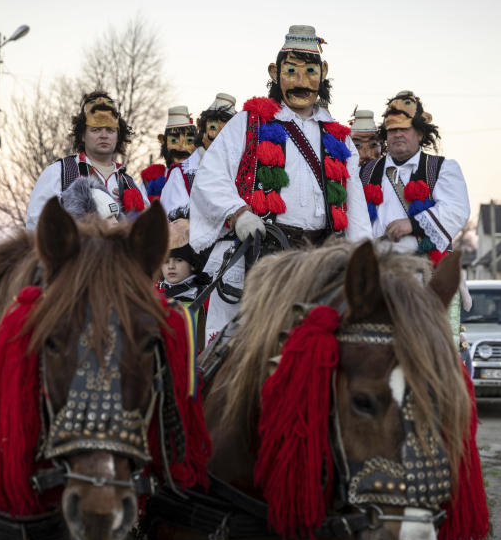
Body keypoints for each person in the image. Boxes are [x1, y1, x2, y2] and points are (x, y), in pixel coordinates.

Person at [189, 24, 372, 344]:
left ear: (323, 72)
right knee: (239, 351)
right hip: (263, 257)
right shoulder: (248, 124)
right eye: (291, 71)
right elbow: (210, 176)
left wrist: (364, 262)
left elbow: (355, 212)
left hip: (323, 263)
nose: (301, 81)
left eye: (310, 71)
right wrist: (239, 214)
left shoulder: (340, 140)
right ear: (275, 73)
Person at [360, 91, 471, 264]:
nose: (397, 134)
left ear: (420, 133)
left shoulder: (442, 169)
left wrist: (414, 224)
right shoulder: (366, 171)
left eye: (404, 129)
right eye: (392, 129)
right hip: (375, 268)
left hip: (423, 268)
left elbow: (456, 210)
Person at [26, 90, 147, 230]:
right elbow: (36, 224)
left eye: (110, 130)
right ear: (82, 135)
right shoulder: (60, 172)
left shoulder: (129, 183)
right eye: (96, 130)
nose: (104, 135)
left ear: (118, 136)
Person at [159, 93, 237, 219]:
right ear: (202, 128)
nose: (218, 136)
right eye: (213, 127)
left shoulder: (241, 173)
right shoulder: (180, 174)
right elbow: (172, 224)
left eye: (227, 130)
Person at [141, 106, 198, 205]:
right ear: (163, 142)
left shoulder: (205, 177)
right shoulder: (150, 181)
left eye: (189, 141)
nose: (182, 148)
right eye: (174, 140)